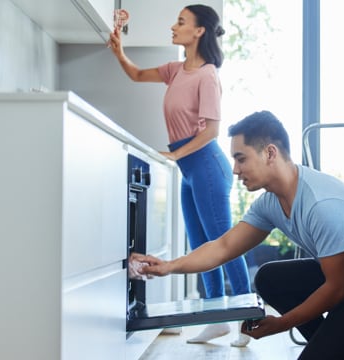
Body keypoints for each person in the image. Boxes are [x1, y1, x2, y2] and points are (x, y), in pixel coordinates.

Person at [131, 110, 344, 360]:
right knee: (269, 278)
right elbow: (224, 246)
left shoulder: (322, 205)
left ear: (269, 153)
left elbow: (337, 288)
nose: (236, 170)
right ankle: (335, 347)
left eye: (241, 158)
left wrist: (281, 324)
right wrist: (169, 266)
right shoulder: (270, 202)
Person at [108, 4, 252, 347]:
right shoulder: (176, 70)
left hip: (206, 166)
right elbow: (137, 75)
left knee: (225, 246)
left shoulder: (207, 75)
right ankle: (216, 319)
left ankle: (247, 320)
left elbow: (211, 132)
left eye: (181, 22)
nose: (174, 27)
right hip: (190, 170)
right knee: (203, 247)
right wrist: (119, 51)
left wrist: (173, 153)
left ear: (199, 31)